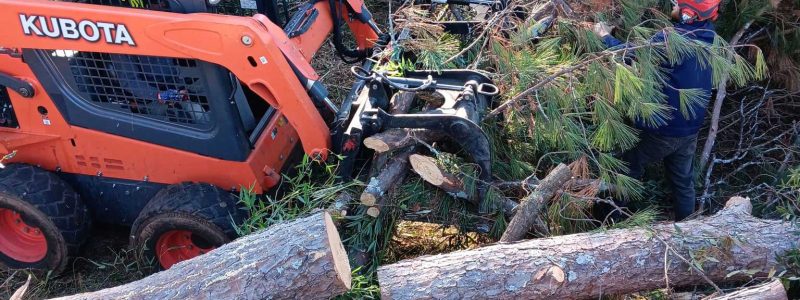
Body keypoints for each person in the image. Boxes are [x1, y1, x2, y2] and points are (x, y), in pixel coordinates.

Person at [592, 0, 721, 221]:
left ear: (688, 14)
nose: (673, 5)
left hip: (662, 127)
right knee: (682, 181)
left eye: (677, 4)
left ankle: (612, 221)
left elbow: (632, 54)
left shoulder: (671, 39)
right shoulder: (709, 36)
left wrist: (604, 36)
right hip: (691, 126)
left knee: (626, 166)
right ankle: (688, 228)